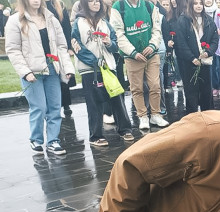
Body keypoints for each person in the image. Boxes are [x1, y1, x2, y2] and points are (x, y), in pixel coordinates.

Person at [6, 0, 76, 156]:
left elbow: (61, 46)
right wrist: (25, 72)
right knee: (39, 107)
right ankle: (36, 139)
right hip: (32, 72)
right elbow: (13, 50)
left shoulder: (51, 18)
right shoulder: (15, 20)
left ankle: (53, 141)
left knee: (55, 107)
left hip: (52, 69)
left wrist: (67, 68)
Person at [72, 0, 135, 146]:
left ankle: (125, 129)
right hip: (89, 70)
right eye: (92, 1)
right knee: (94, 102)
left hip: (108, 67)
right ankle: (96, 136)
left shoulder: (105, 22)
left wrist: (109, 43)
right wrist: (94, 61)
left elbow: (115, 44)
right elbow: (77, 46)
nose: (96, 4)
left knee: (116, 97)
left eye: (98, 1)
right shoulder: (78, 23)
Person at [110, 0, 170, 130]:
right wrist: (133, 52)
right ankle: (142, 116)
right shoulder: (118, 7)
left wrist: (153, 45)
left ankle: (155, 114)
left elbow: (156, 29)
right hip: (132, 56)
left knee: (155, 85)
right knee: (137, 88)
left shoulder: (149, 6)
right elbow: (118, 34)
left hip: (151, 53)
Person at [174, 0, 218, 113]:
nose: (198, 6)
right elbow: (181, 42)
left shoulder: (208, 20)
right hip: (189, 63)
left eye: (200, 3)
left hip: (205, 61)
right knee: (191, 92)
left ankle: (207, 116)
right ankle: (192, 118)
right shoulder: (183, 20)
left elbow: (214, 39)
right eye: (195, 3)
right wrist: (192, 58)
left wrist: (208, 52)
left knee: (206, 91)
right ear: (191, 5)